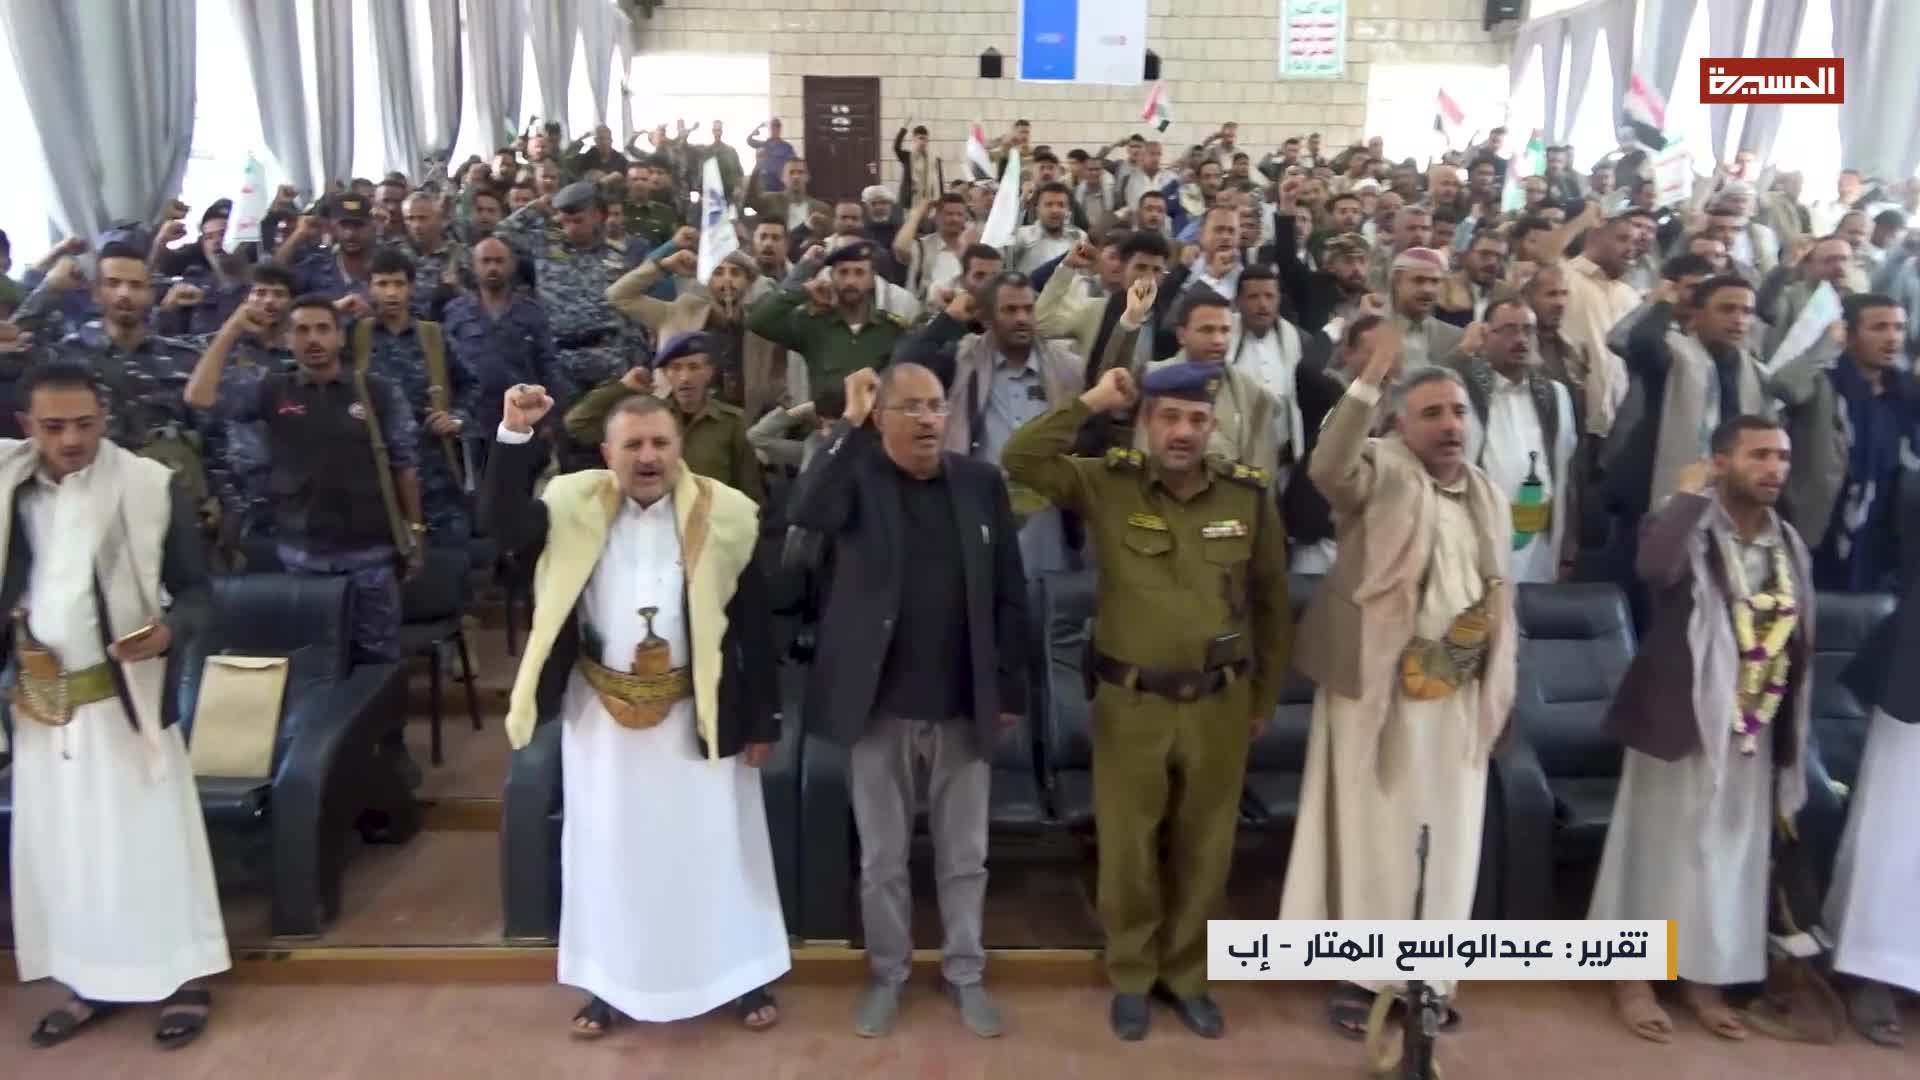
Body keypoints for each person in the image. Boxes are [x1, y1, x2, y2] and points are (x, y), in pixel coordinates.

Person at [483, 384, 787, 1037]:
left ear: (679, 449)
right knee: (608, 853)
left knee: (714, 848)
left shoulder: (726, 513)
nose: (648, 457)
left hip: (697, 714)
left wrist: (764, 717)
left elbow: (755, 625)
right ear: (607, 453)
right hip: (602, 718)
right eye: (634, 445)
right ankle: (610, 983)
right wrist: (514, 436)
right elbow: (503, 528)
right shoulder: (570, 505)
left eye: (660, 443)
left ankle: (739, 974)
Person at [1001, 361, 1292, 1041]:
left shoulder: (1247, 496)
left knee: (1204, 849)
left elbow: (1273, 608)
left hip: (1220, 705)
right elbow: (1021, 457)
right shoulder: (1108, 483)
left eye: (1196, 419)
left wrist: (1263, 698)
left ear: (1213, 426)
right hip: (1131, 704)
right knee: (1128, 849)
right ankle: (1132, 974)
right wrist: (1090, 401)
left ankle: (1186, 976)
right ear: (1145, 423)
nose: (1183, 432)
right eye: (1169, 417)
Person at [786, 363, 1030, 1039]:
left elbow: (1009, 591)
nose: (927, 420)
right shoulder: (856, 480)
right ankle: (888, 973)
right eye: (911, 408)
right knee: (882, 860)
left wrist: (1010, 687)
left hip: (963, 703)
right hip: (878, 707)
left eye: (936, 407)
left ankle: (964, 971)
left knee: (965, 857)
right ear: (882, 418)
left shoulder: (980, 484)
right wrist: (848, 425)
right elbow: (806, 511)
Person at [1281, 344, 1517, 1039]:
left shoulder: (1486, 493)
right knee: (1374, 831)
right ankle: (1361, 977)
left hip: (1458, 692)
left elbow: (1496, 595)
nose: (1450, 425)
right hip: (1376, 685)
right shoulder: (1379, 469)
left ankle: (1427, 976)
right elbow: (1327, 468)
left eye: (1458, 412)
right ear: (1402, 425)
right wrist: (1362, 390)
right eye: (1432, 414)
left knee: (1450, 834)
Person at [5, 361, 227, 1050]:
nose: (71, 440)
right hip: (42, 710)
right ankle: (91, 980)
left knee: (151, 845)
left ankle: (183, 977)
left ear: (104, 418)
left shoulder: (148, 486)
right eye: (53, 427)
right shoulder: (10, 488)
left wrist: (169, 631)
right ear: (26, 426)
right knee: (67, 852)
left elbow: (199, 594)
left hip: (128, 706)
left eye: (84, 424)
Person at [1589, 415, 1815, 1044]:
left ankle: (1703, 977)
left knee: (1728, 854)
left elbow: (1799, 634)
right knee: (1653, 848)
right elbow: (1653, 568)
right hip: (1678, 716)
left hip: (1752, 722)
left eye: (1782, 457)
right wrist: (1687, 496)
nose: (1774, 468)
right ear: (1721, 462)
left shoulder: (1787, 542)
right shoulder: (1685, 522)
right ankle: (1633, 976)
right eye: (1758, 455)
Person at [563, 331, 765, 503]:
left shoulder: (731, 422)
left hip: (710, 525)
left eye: (694, 367)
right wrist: (623, 388)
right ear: (666, 374)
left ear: (709, 372)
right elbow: (577, 423)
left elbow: (750, 492)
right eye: (675, 368)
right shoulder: (645, 416)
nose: (685, 377)